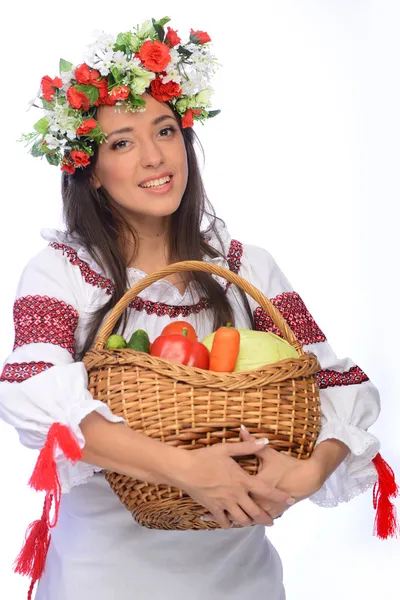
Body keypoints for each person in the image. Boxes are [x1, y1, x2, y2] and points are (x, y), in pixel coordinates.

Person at [0, 17, 397, 600]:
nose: (155, 158)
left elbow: (332, 382)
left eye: (165, 131)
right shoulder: (61, 271)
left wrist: (309, 471)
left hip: (242, 576)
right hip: (105, 579)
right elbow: (28, 386)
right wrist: (185, 468)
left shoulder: (248, 268)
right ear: (90, 173)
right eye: (122, 142)